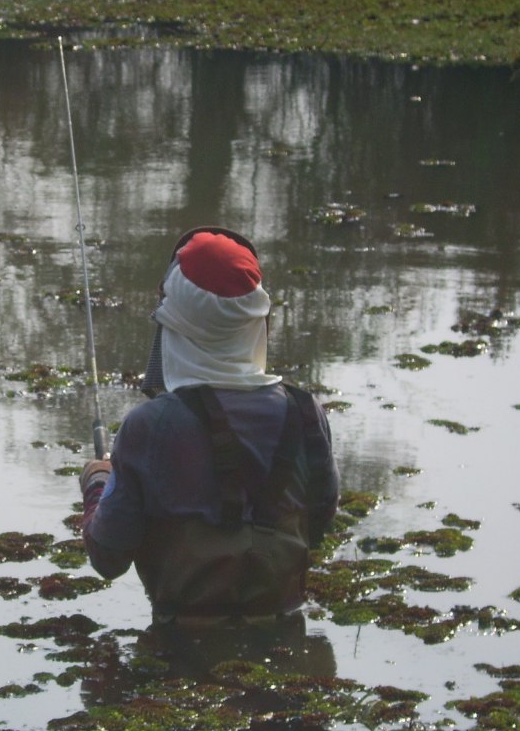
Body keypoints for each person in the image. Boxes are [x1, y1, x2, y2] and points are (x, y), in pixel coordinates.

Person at [79, 227, 339, 625]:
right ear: (257, 320)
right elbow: (320, 521)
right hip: (283, 627)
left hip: (179, 641)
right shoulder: (306, 411)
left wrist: (98, 483)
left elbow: (108, 557)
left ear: (176, 324)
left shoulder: (149, 424)